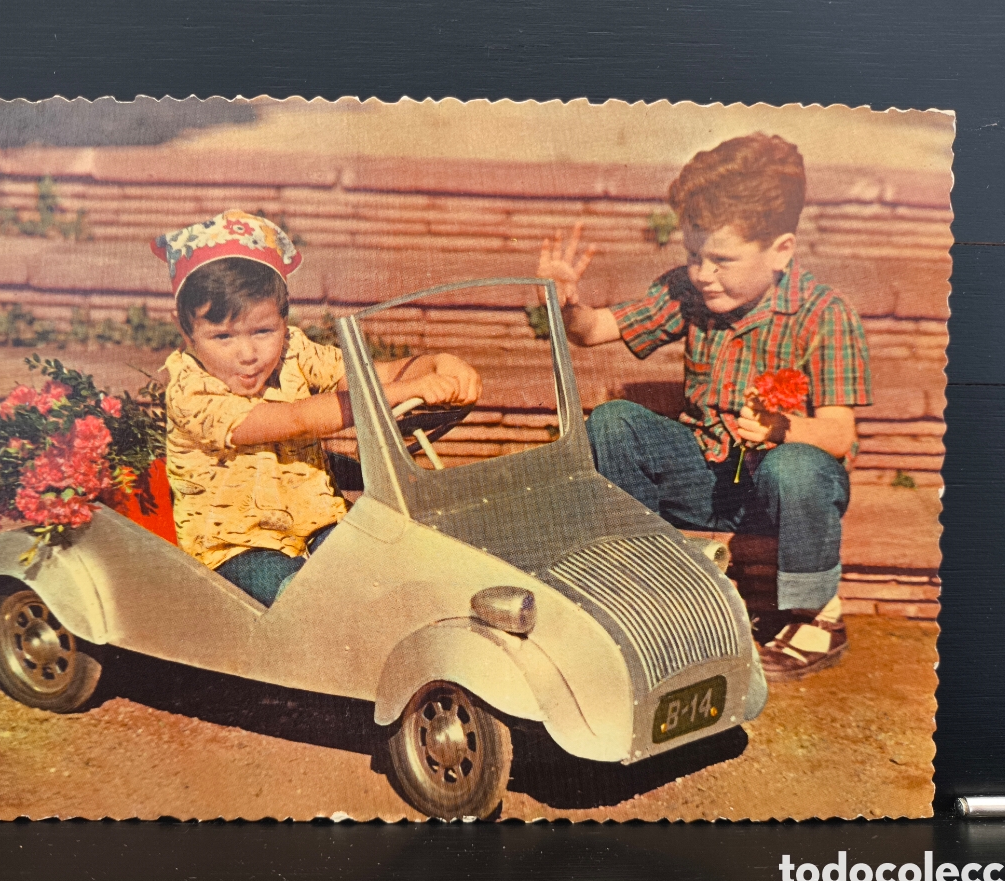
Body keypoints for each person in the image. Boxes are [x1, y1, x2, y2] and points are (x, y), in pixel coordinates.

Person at [537, 134, 872, 681]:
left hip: (775, 492)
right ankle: (642, 588)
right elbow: (595, 331)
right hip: (702, 475)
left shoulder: (826, 314)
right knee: (614, 420)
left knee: (800, 467)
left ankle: (816, 616)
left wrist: (782, 427)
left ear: (781, 250)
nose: (703, 274)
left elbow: (838, 437)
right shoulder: (689, 292)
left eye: (722, 259)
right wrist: (568, 302)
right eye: (693, 256)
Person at [152, 210, 481, 606]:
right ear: (185, 330)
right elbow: (294, 419)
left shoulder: (293, 351)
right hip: (237, 545)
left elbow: (370, 376)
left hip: (316, 522)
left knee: (392, 568)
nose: (248, 354)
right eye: (222, 336)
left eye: (263, 331)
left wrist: (435, 364)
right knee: (307, 602)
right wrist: (404, 392)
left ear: (283, 318)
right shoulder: (190, 388)